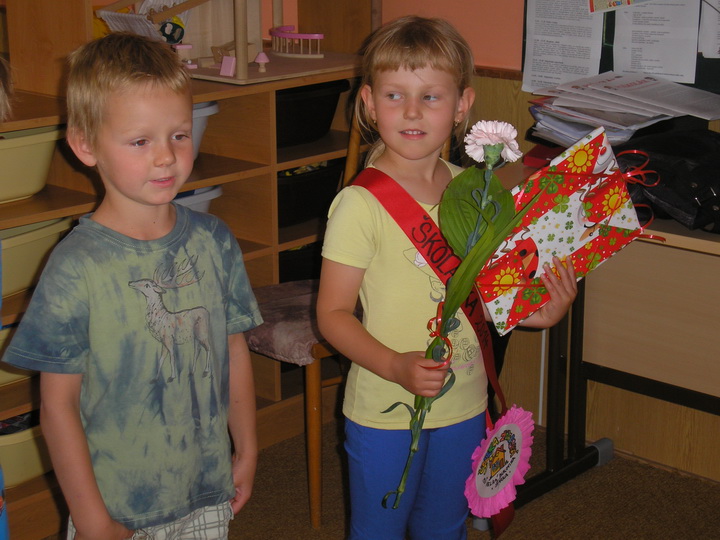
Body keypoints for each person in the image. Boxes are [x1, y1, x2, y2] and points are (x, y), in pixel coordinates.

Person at [316, 16, 577, 540]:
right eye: (395, 95)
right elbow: (332, 314)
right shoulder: (360, 205)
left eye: (431, 97)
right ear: (369, 103)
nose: (412, 111)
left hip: (465, 403)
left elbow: (490, 295)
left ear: (461, 106)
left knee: (446, 526)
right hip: (385, 408)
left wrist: (538, 311)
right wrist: (394, 365)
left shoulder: (477, 193)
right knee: (378, 531)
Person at [1, 32, 262, 539]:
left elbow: (232, 350)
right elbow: (57, 406)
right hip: (116, 508)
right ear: (85, 145)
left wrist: (247, 449)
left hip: (207, 491)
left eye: (179, 135)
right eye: (141, 141)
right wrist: (93, 520)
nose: (165, 157)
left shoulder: (214, 240)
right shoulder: (75, 266)